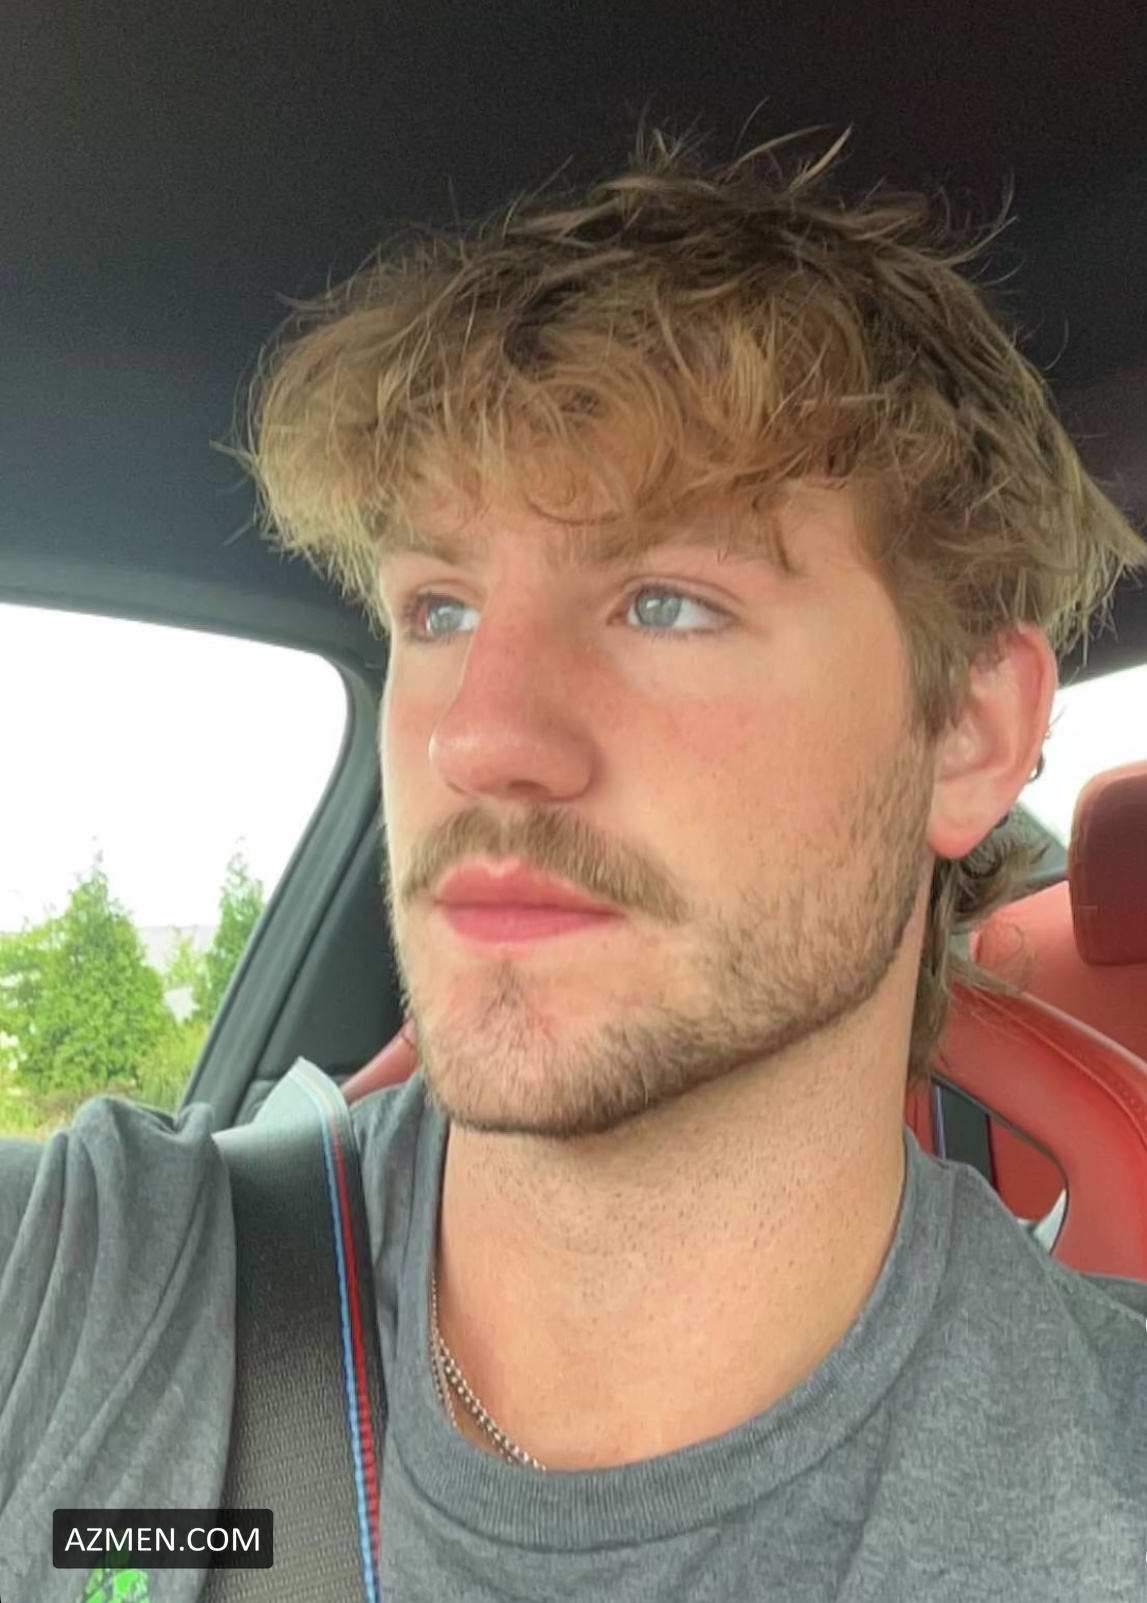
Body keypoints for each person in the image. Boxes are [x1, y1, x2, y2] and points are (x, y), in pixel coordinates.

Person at [3, 129, 1147, 1602]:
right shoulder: (77, 1294)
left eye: (666, 602)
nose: (476, 738)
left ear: (973, 734)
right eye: (439, 611)